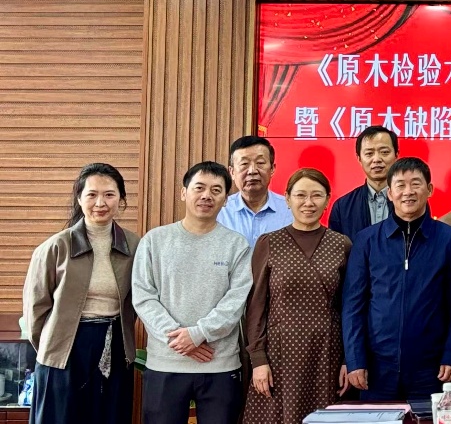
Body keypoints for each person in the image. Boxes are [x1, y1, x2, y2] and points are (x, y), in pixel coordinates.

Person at [132, 161, 253, 424]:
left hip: (220, 365)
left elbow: (236, 301)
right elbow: (143, 297)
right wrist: (179, 339)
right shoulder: (155, 240)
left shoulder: (236, 245)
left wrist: (198, 334)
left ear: (226, 199)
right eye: (199, 187)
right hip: (165, 364)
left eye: (216, 190)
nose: (207, 195)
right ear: (183, 192)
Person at [23, 163, 141, 424]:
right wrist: (53, 347)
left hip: (115, 344)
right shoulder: (56, 247)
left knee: (109, 416)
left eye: (109, 194)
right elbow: (35, 311)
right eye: (92, 194)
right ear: (79, 198)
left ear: (121, 199)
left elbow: (137, 302)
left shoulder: (135, 246)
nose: (100, 203)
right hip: (64, 349)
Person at [342, 157, 451, 401]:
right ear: (390, 193)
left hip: (432, 370)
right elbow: (353, 305)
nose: (408, 192)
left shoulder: (449, 240)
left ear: (430, 189)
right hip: (376, 369)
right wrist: (355, 360)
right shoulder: (367, 240)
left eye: (416, 184)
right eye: (400, 185)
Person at [243, 168, 352, 424]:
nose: (308, 203)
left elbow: (349, 307)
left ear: (328, 199)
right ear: (287, 198)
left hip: (327, 353)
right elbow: (256, 306)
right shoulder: (269, 242)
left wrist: (349, 359)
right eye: (301, 195)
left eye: (317, 195)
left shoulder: (342, 244)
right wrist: (258, 359)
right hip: (278, 355)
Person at [218, 136, 292, 245]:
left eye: (260, 163)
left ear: (272, 168)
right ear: (232, 172)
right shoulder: (220, 211)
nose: (252, 171)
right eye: (244, 164)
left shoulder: (290, 210)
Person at [329, 126, 399, 238]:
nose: (376, 159)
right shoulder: (342, 206)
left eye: (384, 152)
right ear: (359, 158)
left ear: (396, 155)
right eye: (369, 153)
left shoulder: (409, 201)